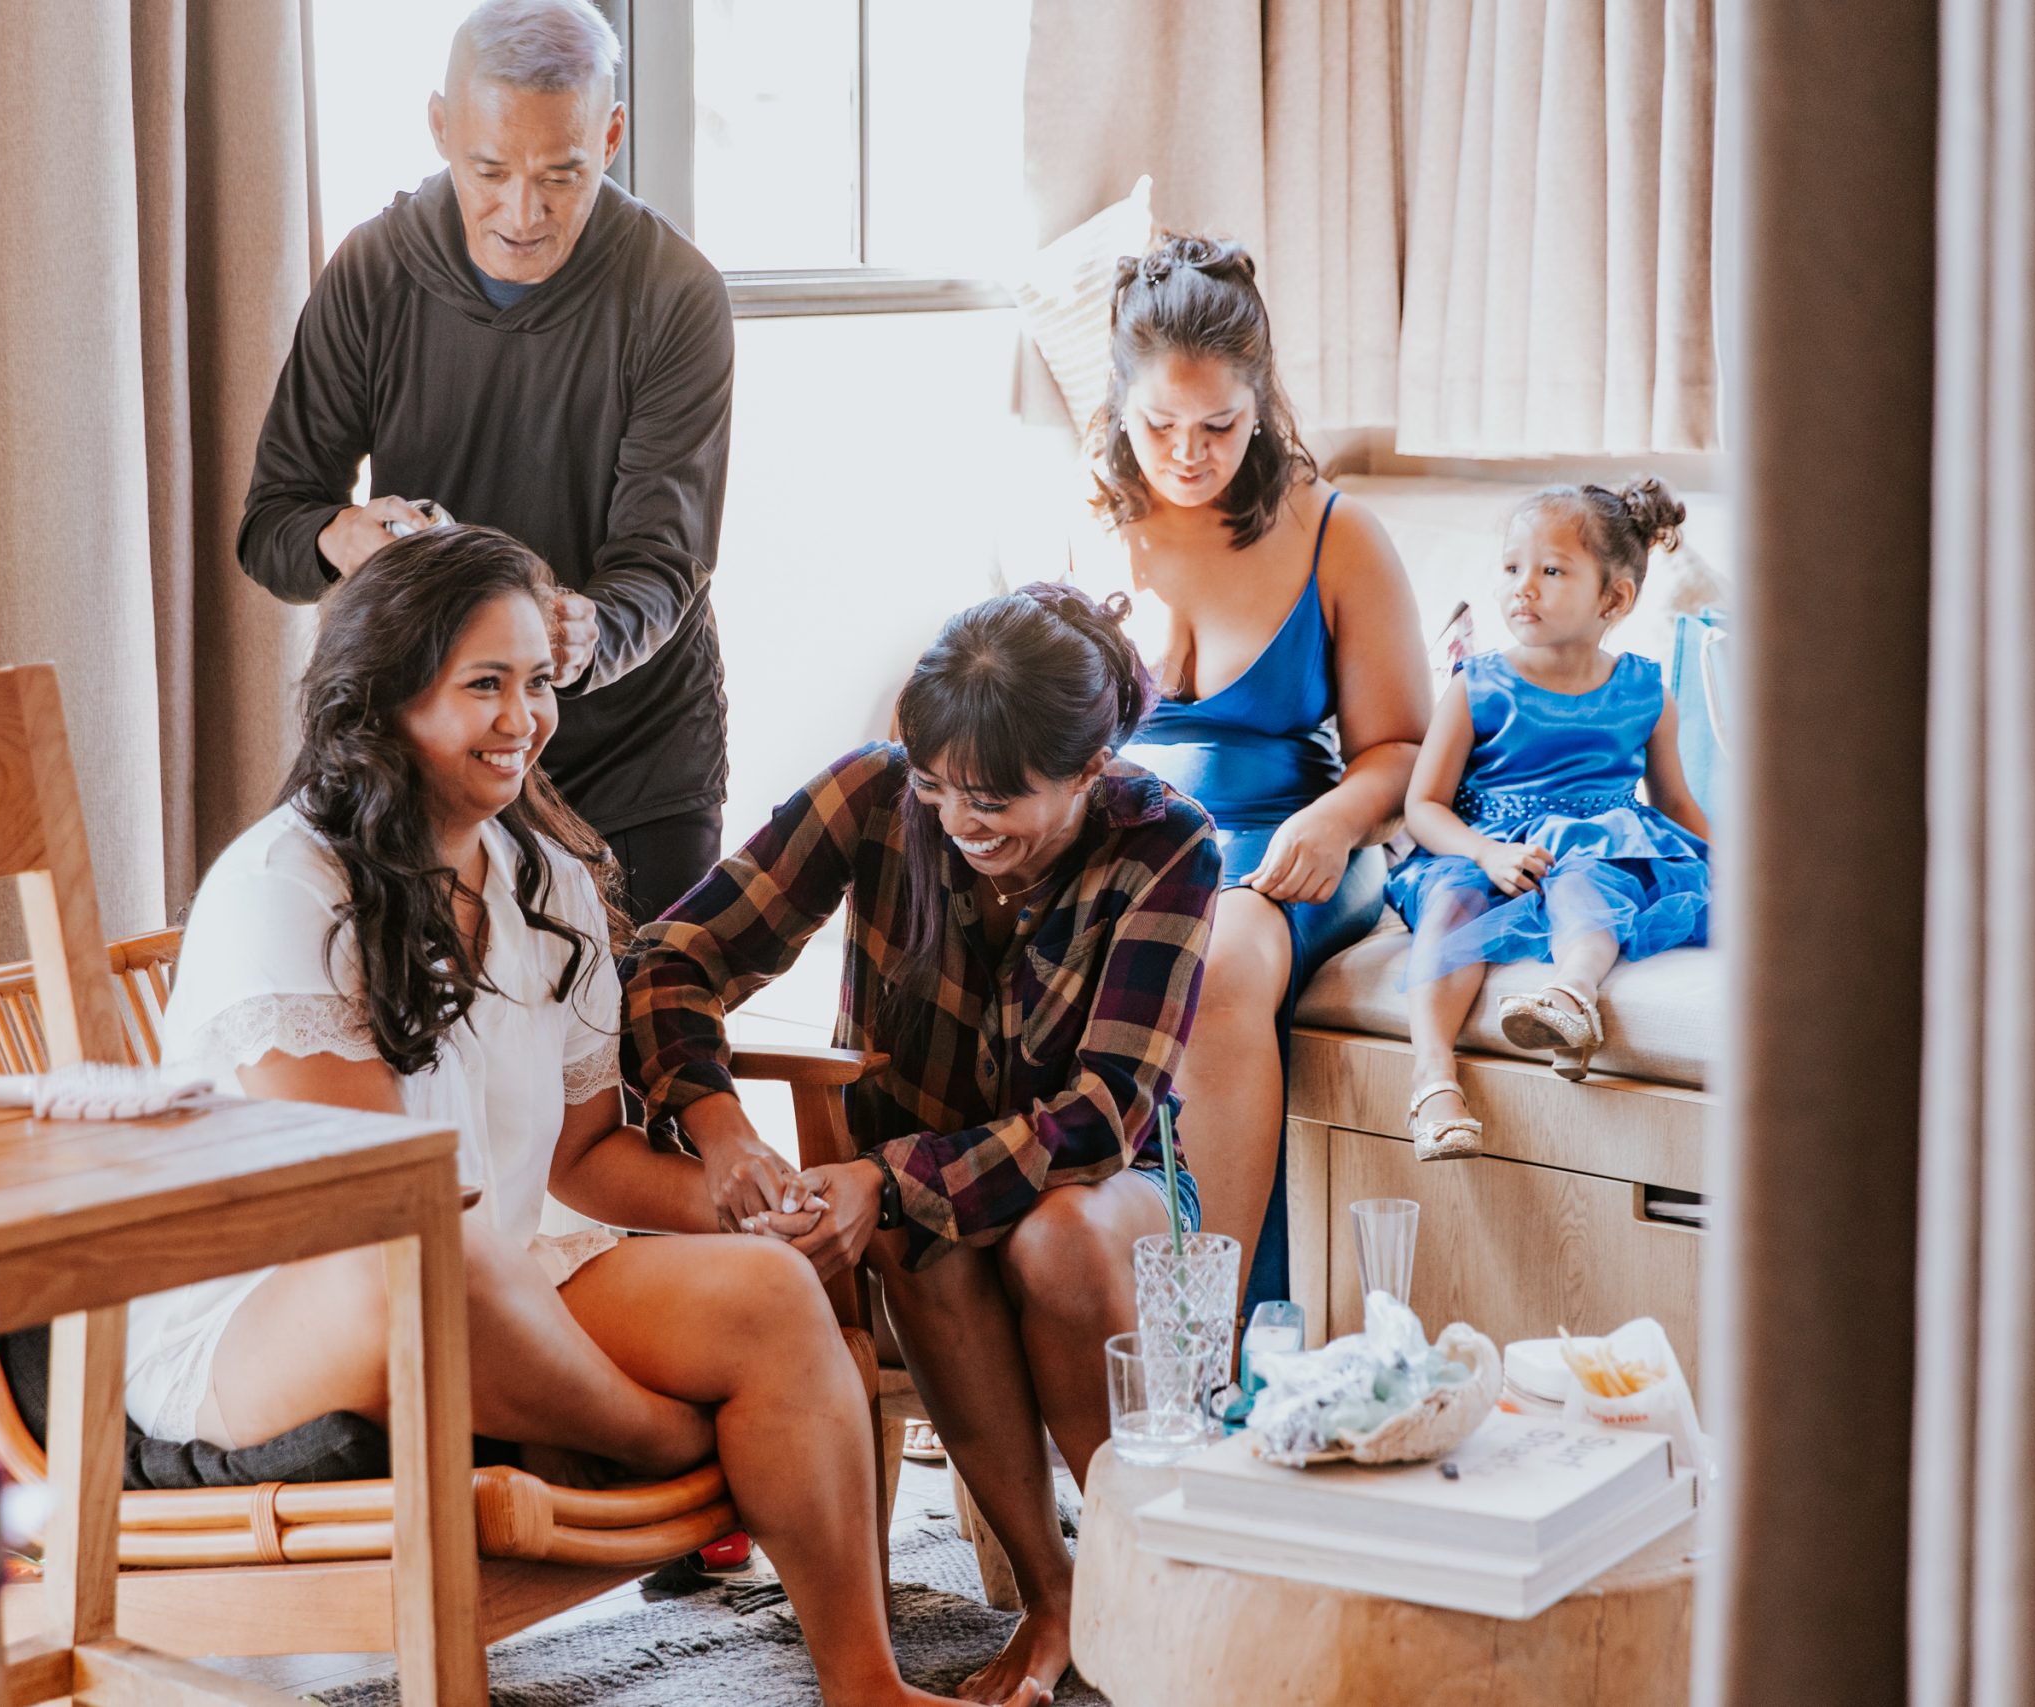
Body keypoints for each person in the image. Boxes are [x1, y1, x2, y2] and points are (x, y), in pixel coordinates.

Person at [130, 527, 985, 1707]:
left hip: (498, 1271)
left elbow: (584, 1157)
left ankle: (866, 1688)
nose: (523, 718)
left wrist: (750, 1207)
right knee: (437, 1246)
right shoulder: (284, 886)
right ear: (382, 697)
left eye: (537, 682)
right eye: (484, 684)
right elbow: (373, 1210)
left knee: (770, 1292)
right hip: (276, 1311)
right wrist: (660, 1412)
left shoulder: (545, 878)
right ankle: (654, 1438)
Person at [623, 587, 1221, 1705]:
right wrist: (721, 1131)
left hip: (1111, 1185)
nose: (958, 822)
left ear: (1090, 770)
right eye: (939, 789)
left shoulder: (1167, 841)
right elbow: (672, 959)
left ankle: (1146, 1578)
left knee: (1047, 1237)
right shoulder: (874, 790)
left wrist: (889, 1176)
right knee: (917, 1234)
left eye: (996, 800)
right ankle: (1055, 1595)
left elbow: (1106, 1112)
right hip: (918, 1209)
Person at [238, 0, 734, 923]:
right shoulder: (372, 272)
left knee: (635, 1014)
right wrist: (341, 537)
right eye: (490, 170)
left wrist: (587, 632)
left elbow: (663, 560)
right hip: (430, 758)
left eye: (561, 175)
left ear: (611, 137)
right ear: (440, 128)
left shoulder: (675, 293)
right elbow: (274, 523)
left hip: (634, 764)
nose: (523, 213)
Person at [1093, 234, 1430, 1315]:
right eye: (1159, 425)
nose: (1187, 454)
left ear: (1262, 404)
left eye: (1219, 426)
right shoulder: (1085, 524)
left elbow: (1402, 749)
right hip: (1132, 850)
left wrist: (1337, 820)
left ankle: (1217, 1329)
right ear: (1119, 402)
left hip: (1286, 849)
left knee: (1222, 951)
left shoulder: (1337, 534)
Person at [1385, 479, 1712, 1160]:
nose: (1522, 588)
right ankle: (1434, 1080)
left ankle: (1570, 996)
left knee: (1589, 883)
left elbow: (1676, 804)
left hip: (1594, 848)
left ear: (1613, 599)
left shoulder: (1645, 692)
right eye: (1511, 568)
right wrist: (1485, 853)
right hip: (1486, 851)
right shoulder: (1476, 686)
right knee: (1451, 906)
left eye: (1552, 571)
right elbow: (1423, 806)